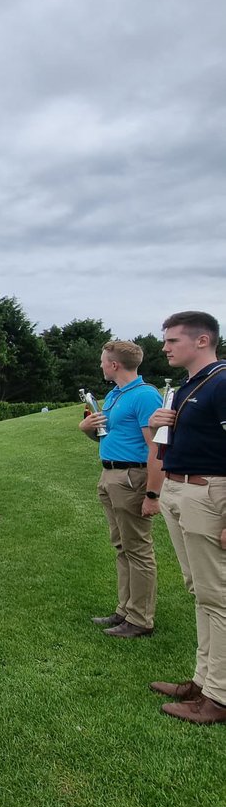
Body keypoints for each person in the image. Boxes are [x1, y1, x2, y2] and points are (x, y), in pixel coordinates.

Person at [147, 311, 226, 726]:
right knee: (201, 591)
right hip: (180, 489)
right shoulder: (186, 387)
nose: (165, 347)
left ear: (202, 341)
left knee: (220, 596)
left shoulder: (222, 381)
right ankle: (202, 680)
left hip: (209, 492)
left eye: (172, 340)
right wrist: (162, 424)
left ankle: (219, 696)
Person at [78, 340, 163, 638]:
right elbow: (107, 436)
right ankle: (125, 609)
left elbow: (155, 448)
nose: (101, 365)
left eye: (103, 361)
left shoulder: (145, 396)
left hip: (131, 478)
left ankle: (140, 619)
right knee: (122, 546)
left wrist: (153, 495)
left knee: (137, 549)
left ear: (114, 364)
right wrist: (89, 430)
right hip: (110, 475)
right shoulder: (115, 394)